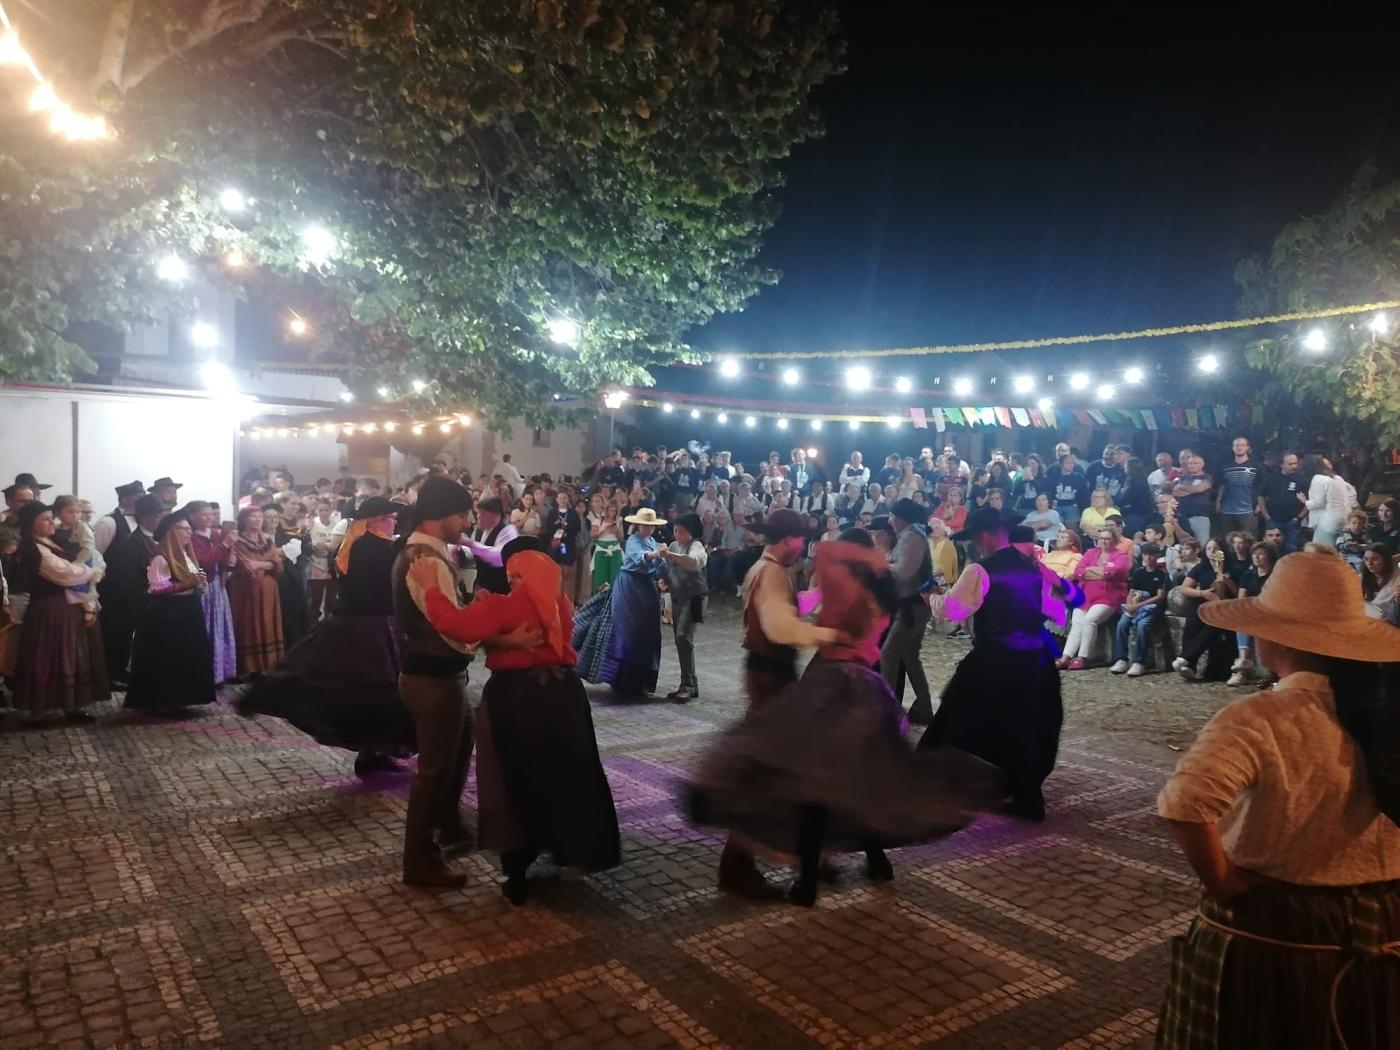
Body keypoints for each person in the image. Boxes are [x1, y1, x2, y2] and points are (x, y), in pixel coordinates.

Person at [1155, 552, 1400, 1050]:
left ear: (1274, 638)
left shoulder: (1261, 716)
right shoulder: (1387, 711)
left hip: (1277, 927)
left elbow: (1186, 806)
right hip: (1386, 918)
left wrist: (1224, 885)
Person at [688, 536, 998, 906]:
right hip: (861, 682)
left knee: (820, 782)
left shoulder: (844, 589)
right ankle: (871, 860)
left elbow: (812, 599)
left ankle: (809, 879)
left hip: (834, 683)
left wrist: (792, 609)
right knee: (863, 779)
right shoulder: (881, 590)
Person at [408, 542, 619, 904]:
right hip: (565, 695)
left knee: (512, 778)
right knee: (566, 771)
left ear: (517, 573)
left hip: (516, 699)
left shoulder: (502, 607)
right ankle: (568, 848)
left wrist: (430, 585)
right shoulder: (561, 604)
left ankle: (517, 870)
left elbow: (452, 624)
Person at [237, 496, 416, 776]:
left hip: (353, 623)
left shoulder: (354, 544)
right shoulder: (379, 548)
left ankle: (372, 751)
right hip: (374, 627)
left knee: (361, 691)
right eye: (392, 517)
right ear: (377, 520)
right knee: (380, 692)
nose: (394, 521)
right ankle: (373, 750)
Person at [918, 505, 1068, 822]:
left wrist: (929, 597)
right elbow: (1058, 614)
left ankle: (933, 782)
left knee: (958, 718)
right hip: (1035, 660)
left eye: (973, 538)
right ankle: (1026, 795)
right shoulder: (1034, 568)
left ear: (984, 535)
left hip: (995, 659)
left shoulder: (980, 569)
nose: (972, 544)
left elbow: (952, 611)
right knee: (1029, 726)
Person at [392, 477, 481, 888]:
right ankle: (420, 860)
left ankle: (450, 827)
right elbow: (450, 628)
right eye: (462, 514)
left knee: (460, 747)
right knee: (434, 770)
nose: (466, 522)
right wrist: (490, 633)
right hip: (432, 677)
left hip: (439, 675)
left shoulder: (430, 553)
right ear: (442, 514)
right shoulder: (423, 559)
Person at [10, 501, 110, 721]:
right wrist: (91, 572)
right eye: (44, 519)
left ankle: (70, 704)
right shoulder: (34, 548)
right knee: (49, 657)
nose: (51, 522)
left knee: (71, 655)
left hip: (63, 607)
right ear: (32, 525)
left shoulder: (49, 541)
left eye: (50, 517)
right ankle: (41, 709)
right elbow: (64, 573)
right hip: (49, 609)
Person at [124, 512, 216, 714]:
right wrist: (187, 584)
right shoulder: (161, 558)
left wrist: (198, 582)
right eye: (184, 529)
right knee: (169, 658)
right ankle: (166, 701)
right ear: (172, 532)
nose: (188, 533)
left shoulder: (185, 556)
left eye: (189, 529)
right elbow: (155, 588)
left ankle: (183, 698)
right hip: (168, 615)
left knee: (186, 656)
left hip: (187, 611)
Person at [574, 507, 665, 699]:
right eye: (644, 526)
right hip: (629, 586)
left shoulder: (653, 542)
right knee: (626, 630)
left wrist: (664, 560)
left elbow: (657, 565)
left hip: (646, 588)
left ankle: (639, 680)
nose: (648, 529)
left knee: (646, 632)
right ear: (638, 525)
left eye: (651, 526)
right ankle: (621, 680)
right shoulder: (633, 541)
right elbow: (638, 558)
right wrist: (656, 555)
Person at [98, 493, 166, 689]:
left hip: (147, 600)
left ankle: (123, 671)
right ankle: (114, 674)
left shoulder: (155, 539)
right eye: (158, 515)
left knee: (128, 640)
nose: (160, 519)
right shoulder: (133, 543)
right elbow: (127, 579)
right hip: (127, 601)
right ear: (145, 518)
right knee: (119, 638)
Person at [880, 499, 935, 723]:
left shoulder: (912, 537)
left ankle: (888, 710)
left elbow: (904, 573)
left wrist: (881, 564)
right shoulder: (911, 535)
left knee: (889, 653)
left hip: (912, 605)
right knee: (910, 657)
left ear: (901, 517)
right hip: (916, 604)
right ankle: (924, 707)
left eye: (893, 516)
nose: (891, 520)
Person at [1060, 527, 1130, 670]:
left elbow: (1112, 572)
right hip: (1086, 594)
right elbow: (1078, 572)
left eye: (1108, 538)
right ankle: (1065, 658)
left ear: (1114, 541)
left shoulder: (1121, 555)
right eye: (1102, 538)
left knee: (1090, 619)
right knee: (1077, 622)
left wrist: (1091, 571)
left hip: (1109, 596)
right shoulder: (1091, 553)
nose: (1104, 541)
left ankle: (1082, 658)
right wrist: (1099, 572)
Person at [228, 505, 285, 676]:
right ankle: (249, 666)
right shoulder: (237, 541)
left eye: (260, 516)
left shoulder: (267, 540)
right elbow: (245, 565)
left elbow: (278, 564)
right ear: (244, 520)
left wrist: (260, 564)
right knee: (249, 623)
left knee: (268, 621)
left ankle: (269, 664)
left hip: (268, 590)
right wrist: (267, 563)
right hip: (246, 591)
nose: (259, 519)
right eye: (254, 517)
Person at [658, 513, 708, 702]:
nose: (677, 534)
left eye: (682, 531)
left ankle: (688, 684)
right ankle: (687, 683)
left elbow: (694, 563)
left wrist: (671, 556)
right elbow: (668, 569)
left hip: (695, 597)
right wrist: (664, 582)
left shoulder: (697, 547)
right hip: (678, 597)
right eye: (676, 530)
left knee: (683, 637)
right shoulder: (673, 545)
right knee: (680, 641)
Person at [187, 501, 238, 684]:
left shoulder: (216, 534)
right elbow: (204, 560)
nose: (210, 518)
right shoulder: (191, 538)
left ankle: (220, 672)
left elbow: (224, 559)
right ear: (192, 516)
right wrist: (225, 545)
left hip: (218, 585)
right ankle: (202, 673)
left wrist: (230, 560)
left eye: (211, 514)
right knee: (205, 627)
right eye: (204, 514)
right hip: (203, 587)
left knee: (219, 627)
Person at [1173, 540, 1236, 682]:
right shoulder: (1201, 567)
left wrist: (1220, 571)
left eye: (1216, 548)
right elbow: (1184, 588)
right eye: (1208, 548)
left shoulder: (1233, 568)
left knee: (1213, 626)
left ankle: (1186, 658)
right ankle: (1190, 666)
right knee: (1192, 620)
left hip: (1226, 607)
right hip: (1205, 604)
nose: (1212, 551)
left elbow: (1232, 591)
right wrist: (1202, 593)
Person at [1110, 543, 1169, 677]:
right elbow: (1131, 591)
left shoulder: (1162, 574)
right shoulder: (1138, 573)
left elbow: (1159, 596)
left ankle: (1139, 661)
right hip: (1135, 606)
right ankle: (1121, 659)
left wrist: (1137, 606)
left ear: (1157, 556)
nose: (1148, 558)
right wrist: (1130, 604)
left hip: (1152, 609)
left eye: (1152, 555)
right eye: (1146, 554)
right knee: (1121, 624)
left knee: (1143, 626)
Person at [1227, 541, 1280, 686]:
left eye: (1260, 554)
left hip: (1272, 612)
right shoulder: (1248, 574)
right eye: (1254, 554)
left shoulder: (1277, 574)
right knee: (1242, 619)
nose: (1256, 557)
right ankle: (1243, 664)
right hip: (1253, 611)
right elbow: (1241, 598)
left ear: (1269, 557)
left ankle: (1274, 673)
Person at [467, 496, 519, 596]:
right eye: (478, 513)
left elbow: (499, 557)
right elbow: (471, 553)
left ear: (497, 515)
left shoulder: (508, 531)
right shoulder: (478, 530)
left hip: (500, 586)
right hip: (482, 583)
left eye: (483, 513)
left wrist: (470, 544)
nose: (479, 516)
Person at [1261, 451, 1307, 553]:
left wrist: (1299, 518)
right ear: (1281, 464)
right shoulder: (1271, 477)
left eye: (1295, 463)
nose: (1294, 466)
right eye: (1290, 464)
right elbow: (1261, 497)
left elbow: (1308, 501)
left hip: (1293, 521)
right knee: (1271, 549)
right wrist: (1267, 517)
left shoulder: (1301, 479)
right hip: (1273, 520)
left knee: (1292, 549)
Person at [1217, 435, 1263, 537]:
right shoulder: (1225, 467)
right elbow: (1222, 485)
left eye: (1242, 445)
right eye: (1236, 445)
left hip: (1248, 509)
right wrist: (1218, 501)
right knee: (1228, 540)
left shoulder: (1256, 466)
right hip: (1227, 510)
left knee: (1249, 539)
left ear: (1247, 447)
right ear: (1233, 448)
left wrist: (1260, 505)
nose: (1239, 447)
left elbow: (1263, 487)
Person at [1303, 455, 1352, 548]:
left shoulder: (1318, 479)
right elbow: (1352, 493)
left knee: (1321, 550)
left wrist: (1305, 501)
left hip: (1328, 522)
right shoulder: (1338, 478)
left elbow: (1318, 503)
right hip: (1344, 518)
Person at [541, 489, 583, 596]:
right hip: (555, 546)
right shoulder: (552, 513)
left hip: (568, 545)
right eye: (560, 498)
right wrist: (554, 533)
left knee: (568, 575)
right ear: (557, 500)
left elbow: (577, 528)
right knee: (556, 575)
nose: (562, 500)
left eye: (564, 498)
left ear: (568, 499)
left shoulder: (573, 513)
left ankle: (569, 602)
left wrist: (567, 527)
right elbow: (547, 529)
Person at [306, 498, 341, 622]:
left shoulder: (337, 523)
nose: (324, 513)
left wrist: (327, 545)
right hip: (316, 564)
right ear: (316, 511)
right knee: (316, 597)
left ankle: (328, 622)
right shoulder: (312, 524)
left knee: (331, 598)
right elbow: (310, 543)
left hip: (332, 564)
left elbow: (338, 543)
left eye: (326, 510)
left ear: (331, 510)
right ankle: (313, 624)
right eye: (321, 510)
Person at [93, 480, 146, 555]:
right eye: (138, 498)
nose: (143, 502)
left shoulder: (142, 521)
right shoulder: (108, 523)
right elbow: (94, 555)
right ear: (125, 500)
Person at [1172, 454, 1215, 545]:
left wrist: (1182, 487)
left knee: (1203, 544)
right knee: (1184, 544)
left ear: (1202, 465)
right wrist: (1193, 490)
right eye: (1190, 463)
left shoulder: (1206, 477)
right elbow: (1175, 492)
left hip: (1200, 516)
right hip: (1182, 517)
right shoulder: (1182, 478)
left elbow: (1200, 489)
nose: (1192, 465)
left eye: (1195, 463)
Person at [1362, 544, 1400, 624]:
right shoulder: (1363, 578)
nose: (1369, 563)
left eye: (1375, 559)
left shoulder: (1396, 581)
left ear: (1385, 560)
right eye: (1366, 559)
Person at [1051, 453, 1090, 527]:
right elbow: (1051, 492)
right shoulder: (1054, 477)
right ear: (1061, 465)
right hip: (1057, 506)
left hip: (1072, 506)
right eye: (1068, 463)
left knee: (1071, 530)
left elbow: (1084, 494)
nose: (1071, 465)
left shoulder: (1078, 477)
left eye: (1072, 463)